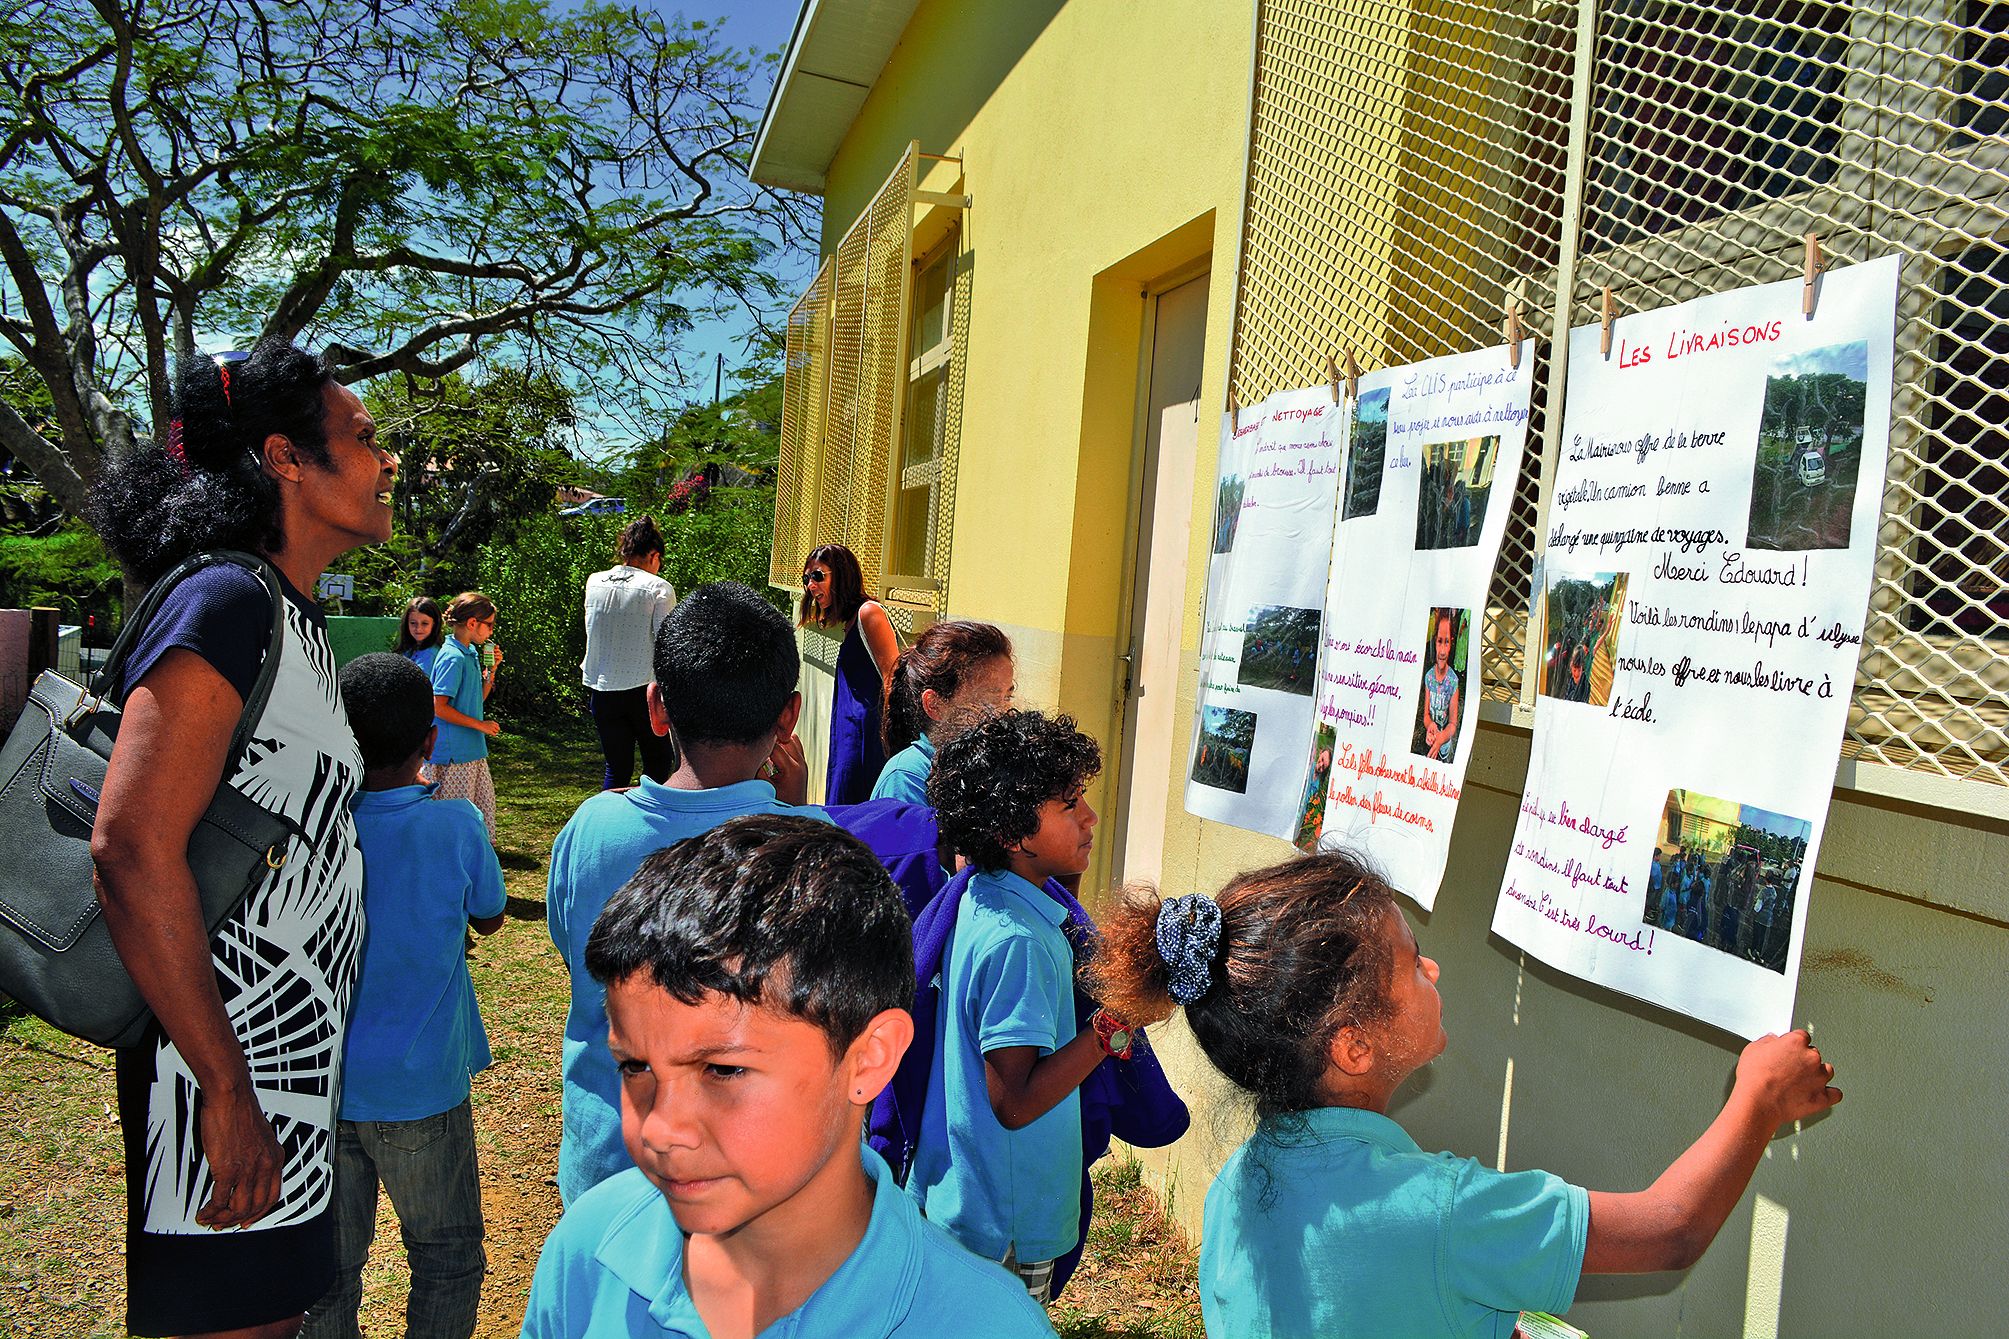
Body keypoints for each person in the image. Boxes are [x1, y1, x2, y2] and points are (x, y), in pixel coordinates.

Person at [1088, 848, 1843, 1339]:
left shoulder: (1235, 1187)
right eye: (1413, 962)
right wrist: (1759, 1097)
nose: (1435, 970)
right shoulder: (1442, 1211)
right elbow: (1669, 1230)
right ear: (1354, 1045)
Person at [86, 338, 395, 1338]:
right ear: (285, 459)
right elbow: (131, 845)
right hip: (220, 1072)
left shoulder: (289, 615)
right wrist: (225, 1090)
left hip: (281, 1068)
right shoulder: (225, 601)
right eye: (363, 437)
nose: (386, 459)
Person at [522, 817, 1054, 1339]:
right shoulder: (591, 1248)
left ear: (868, 1060)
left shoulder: (989, 1325)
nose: (660, 1130)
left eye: (723, 1070)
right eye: (635, 1066)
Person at [546, 581, 822, 1204]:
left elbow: (578, 957)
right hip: (756, 1185)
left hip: (612, 1172)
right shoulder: (823, 851)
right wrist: (797, 814)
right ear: (789, 717)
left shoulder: (591, 828)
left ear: (656, 707)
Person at [304, 654, 505, 1339]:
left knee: (329, 1273)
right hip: (422, 1088)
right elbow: (489, 915)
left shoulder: (314, 834)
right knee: (445, 1257)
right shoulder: (456, 826)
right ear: (430, 740)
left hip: (321, 1086)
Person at [907, 709, 1125, 1304]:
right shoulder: (1019, 943)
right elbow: (1015, 1100)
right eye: (1069, 804)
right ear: (1012, 833)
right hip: (1004, 1222)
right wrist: (1113, 1028)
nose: (1090, 817)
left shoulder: (985, 895)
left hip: (968, 1194)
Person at [580, 514, 678, 790]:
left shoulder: (594, 581)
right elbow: (667, 643)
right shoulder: (658, 587)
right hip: (644, 691)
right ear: (654, 555)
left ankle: (611, 814)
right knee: (658, 763)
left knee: (616, 766)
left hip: (602, 688)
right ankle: (651, 814)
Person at [872, 620, 1015, 804]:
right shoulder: (907, 778)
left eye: (1008, 697)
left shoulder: (987, 765)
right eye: (989, 699)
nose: (1004, 713)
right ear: (934, 705)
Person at [799, 543, 899, 804]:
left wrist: (893, 742)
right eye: (807, 579)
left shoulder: (870, 613)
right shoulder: (851, 620)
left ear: (842, 574)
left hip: (868, 739)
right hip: (848, 733)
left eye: (818, 576)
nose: (811, 586)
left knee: (856, 809)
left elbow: (892, 678)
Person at [429, 592, 502, 839]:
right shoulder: (453, 657)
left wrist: (491, 671)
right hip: (454, 756)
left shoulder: (468, 653)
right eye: (489, 624)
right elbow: (438, 706)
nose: (491, 631)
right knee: (455, 823)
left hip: (470, 751)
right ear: (472, 623)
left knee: (475, 817)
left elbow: (475, 700)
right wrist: (480, 725)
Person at [1420, 611, 1461, 763]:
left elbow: (1453, 724)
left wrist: (1441, 738)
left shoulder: (1453, 681)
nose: (1442, 651)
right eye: (1439, 642)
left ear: (1451, 644)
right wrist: (1430, 725)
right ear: (1434, 642)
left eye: (1447, 642)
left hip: (1445, 747)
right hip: (1431, 743)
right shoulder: (1429, 677)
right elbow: (1426, 715)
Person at [393, 595, 445, 677]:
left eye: (424, 623)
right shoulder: (409, 649)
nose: (418, 629)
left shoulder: (430, 653)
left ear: (434, 624)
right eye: (413, 623)